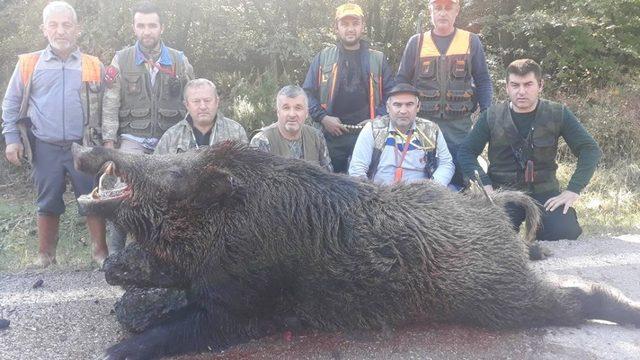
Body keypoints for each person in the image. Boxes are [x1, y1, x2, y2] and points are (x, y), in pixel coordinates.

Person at [1, 1, 107, 267]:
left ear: (77, 29)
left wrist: (107, 143)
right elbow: (11, 103)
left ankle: (99, 253)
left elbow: (109, 106)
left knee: (93, 198)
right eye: (54, 25)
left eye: (66, 25)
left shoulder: (93, 64)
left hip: (83, 146)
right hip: (44, 146)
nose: (61, 31)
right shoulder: (29, 63)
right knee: (47, 200)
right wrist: (12, 139)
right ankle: (45, 256)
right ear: (44, 29)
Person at [457, 59, 602, 240]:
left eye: (528, 84)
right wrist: (486, 186)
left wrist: (573, 190)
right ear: (507, 87)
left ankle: (542, 229)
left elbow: (590, 149)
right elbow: (466, 152)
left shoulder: (558, 113)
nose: (521, 91)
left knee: (564, 231)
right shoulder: (491, 116)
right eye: (515, 85)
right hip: (505, 193)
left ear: (540, 85)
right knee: (491, 237)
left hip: (545, 193)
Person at [101, 1, 194, 253]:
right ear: (134, 28)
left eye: (152, 25)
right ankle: (115, 255)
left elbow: (193, 98)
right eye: (141, 25)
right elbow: (110, 103)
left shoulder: (178, 60)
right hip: (134, 138)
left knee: (175, 195)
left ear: (161, 27)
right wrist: (110, 145)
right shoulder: (122, 59)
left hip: (170, 138)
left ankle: (170, 253)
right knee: (122, 194)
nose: (147, 31)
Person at [396, 0, 492, 188]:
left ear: (457, 10)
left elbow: (483, 80)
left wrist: (487, 113)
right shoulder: (416, 42)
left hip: (459, 127)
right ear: (430, 11)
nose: (443, 13)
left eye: (448, 8)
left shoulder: (471, 41)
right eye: (438, 8)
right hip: (423, 125)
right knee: (421, 176)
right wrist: (402, 112)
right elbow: (401, 81)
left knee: (461, 176)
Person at [302, 3, 395, 173]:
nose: (350, 29)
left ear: (362, 26)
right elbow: (306, 93)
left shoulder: (378, 59)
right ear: (336, 28)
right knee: (332, 187)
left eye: (355, 23)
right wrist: (323, 118)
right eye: (345, 24)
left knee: (366, 186)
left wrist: (378, 119)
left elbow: (392, 95)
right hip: (331, 135)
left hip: (368, 134)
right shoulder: (323, 58)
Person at [349, 84, 454, 186]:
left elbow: (446, 164)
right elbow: (357, 168)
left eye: (409, 104)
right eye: (397, 105)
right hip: (380, 194)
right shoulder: (372, 129)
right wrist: (369, 195)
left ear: (418, 107)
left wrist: (434, 187)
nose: (403, 111)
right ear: (388, 107)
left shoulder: (431, 129)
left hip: (422, 197)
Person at [250, 85, 333, 172]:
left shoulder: (316, 137)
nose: (292, 114)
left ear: (306, 113)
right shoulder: (262, 141)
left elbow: (328, 177)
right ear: (278, 112)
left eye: (298, 108)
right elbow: (255, 183)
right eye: (286, 108)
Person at [155, 79, 248, 154]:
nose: (203, 106)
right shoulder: (172, 136)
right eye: (196, 101)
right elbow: (156, 172)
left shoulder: (236, 132)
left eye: (207, 100)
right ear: (186, 105)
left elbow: (248, 172)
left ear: (217, 102)